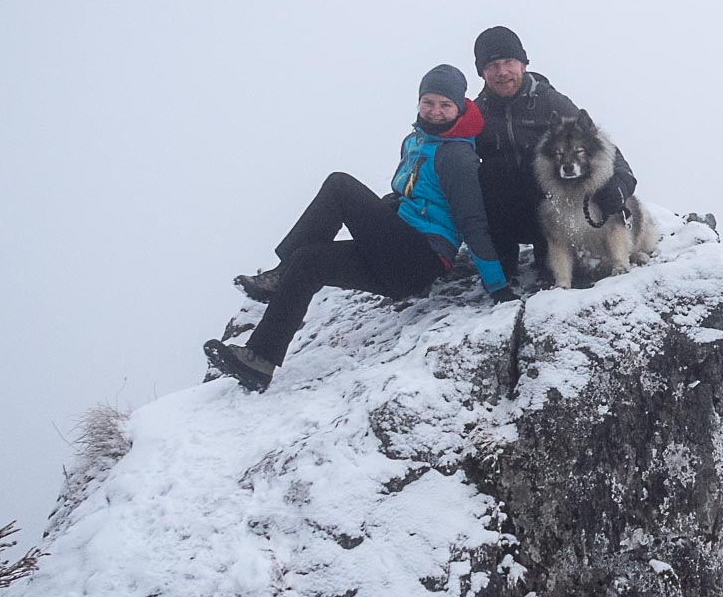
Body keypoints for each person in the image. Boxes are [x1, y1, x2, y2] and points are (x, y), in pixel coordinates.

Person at [204, 64, 515, 393]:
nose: (435, 112)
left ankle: (278, 276)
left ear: (459, 107)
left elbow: (472, 221)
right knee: (308, 260)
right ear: (418, 102)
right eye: (428, 102)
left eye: (445, 105)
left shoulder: (457, 156)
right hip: (394, 254)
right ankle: (259, 360)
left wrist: (497, 287)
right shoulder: (415, 142)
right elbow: (406, 195)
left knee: (339, 186)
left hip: (420, 260)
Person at [470, 25, 636, 285]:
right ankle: (503, 261)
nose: (502, 72)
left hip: (549, 208)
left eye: (509, 62)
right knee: (490, 171)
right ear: (482, 72)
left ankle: (552, 260)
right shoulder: (476, 113)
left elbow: (599, 144)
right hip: (503, 213)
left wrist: (622, 183)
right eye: (492, 65)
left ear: (523, 64)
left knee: (536, 169)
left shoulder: (550, 102)